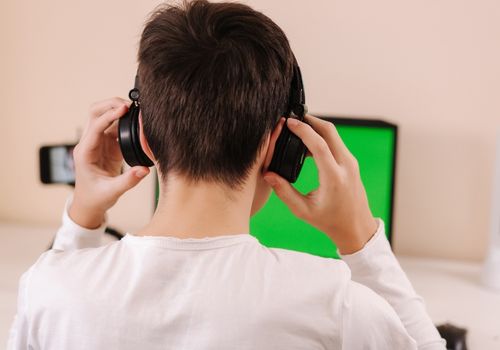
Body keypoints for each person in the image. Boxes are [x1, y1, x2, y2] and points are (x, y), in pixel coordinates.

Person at [8, 1, 446, 349]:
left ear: (138, 135)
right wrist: (361, 240)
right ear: (279, 145)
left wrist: (81, 218)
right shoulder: (335, 304)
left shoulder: (50, 290)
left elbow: (53, 298)